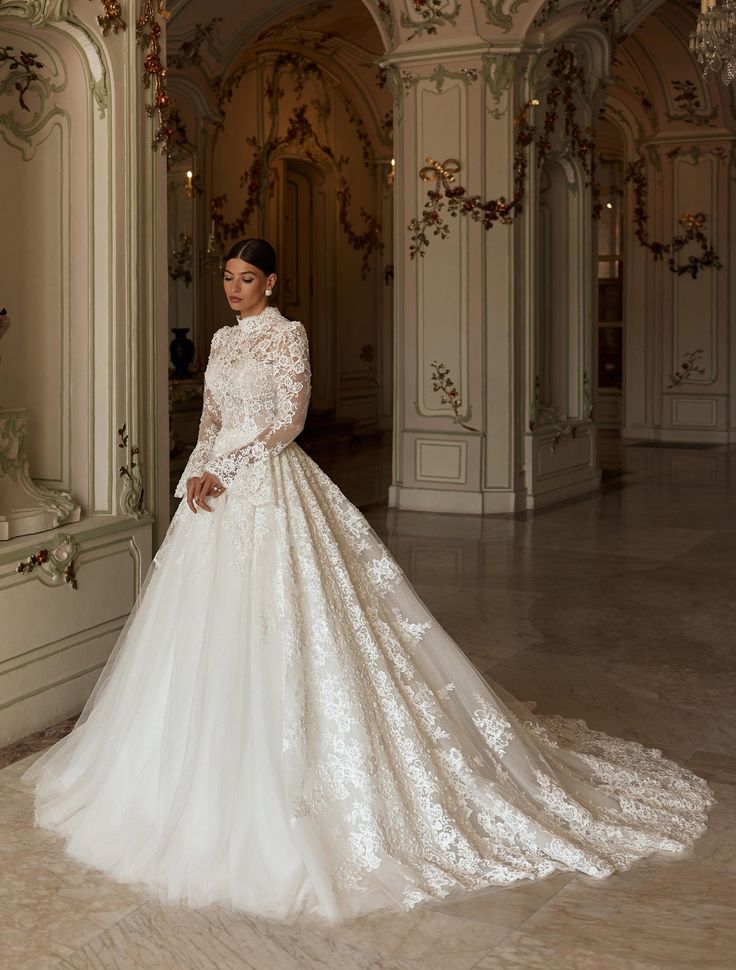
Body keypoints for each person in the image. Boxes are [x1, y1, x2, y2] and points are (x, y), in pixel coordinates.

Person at [21, 238, 713, 924]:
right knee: (201, 632)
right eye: (227, 278)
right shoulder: (223, 342)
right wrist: (198, 471)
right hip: (214, 496)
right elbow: (212, 419)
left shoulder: (288, 335)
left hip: (269, 487)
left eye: (247, 279)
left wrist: (227, 470)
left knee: (300, 624)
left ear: (271, 281)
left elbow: (287, 423)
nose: (234, 290)